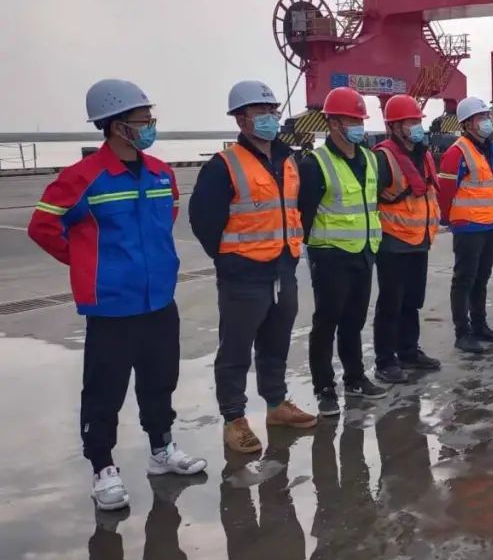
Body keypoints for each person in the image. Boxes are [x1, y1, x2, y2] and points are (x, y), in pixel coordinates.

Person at [28, 79, 207, 512]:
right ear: (115, 125)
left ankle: (161, 449)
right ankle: (103, 467)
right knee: (105, 390)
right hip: (111, 306)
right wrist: (87, 262)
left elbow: (167, 218)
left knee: (160, 379)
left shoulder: (162, 173)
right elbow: (43, 226)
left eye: (150, 119)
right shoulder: (82, 178)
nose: (150, 126)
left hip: (159, 300)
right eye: (142, 120)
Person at [189, 80, 316, 455]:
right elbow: (203, 220)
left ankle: (276, 405)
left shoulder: (289, 162)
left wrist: (290, 251)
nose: (270, 118)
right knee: (236, 350)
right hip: (243, 274)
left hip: (283, 269)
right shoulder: (224, 166)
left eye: (272, 111)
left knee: (276, 342)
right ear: (241, 120)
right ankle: (235, 419)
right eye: (261, 113)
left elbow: (298, 209)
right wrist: (228, 259)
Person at [297, 87, 387, 418]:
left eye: (360, 120)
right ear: (333, 123)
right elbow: (304, 213)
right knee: (327, 322)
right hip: (330, 255)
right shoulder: (315, 163)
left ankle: (355, 378)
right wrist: (315, 249)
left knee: (354, 320)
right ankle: (324, 387)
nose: (359, 126)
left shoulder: (370, 158)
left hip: (364, 251)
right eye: (352, 120)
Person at [371, 94, 442, 383]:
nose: (416, 126)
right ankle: (385, 361)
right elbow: (371, 199)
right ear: (393, 126)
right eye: (409, 122)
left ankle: (409, 352)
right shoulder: (383, 157)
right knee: (391, 304)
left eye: (417, 121)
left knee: (412, 301)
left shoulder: (423, 154)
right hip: (393, 241)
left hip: (419, 239)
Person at [437, 96, 493, 354]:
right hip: (468, 226)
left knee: (482, 277)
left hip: (490, 223)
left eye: (488, 116)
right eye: (481, 117)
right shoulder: (457, 152)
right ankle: (462, 333)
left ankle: (480, 325)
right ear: (467, 124)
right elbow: (445, 192)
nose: (487, 121)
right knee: (464, 280)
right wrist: (450, 220)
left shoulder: (491, 148)